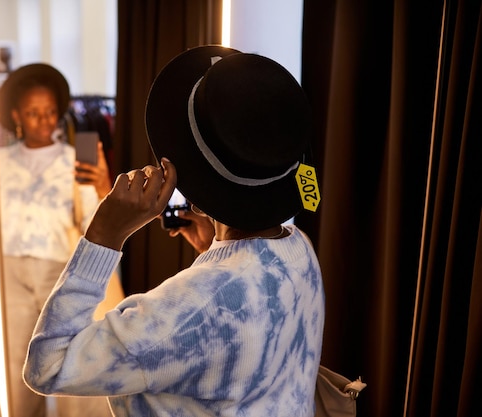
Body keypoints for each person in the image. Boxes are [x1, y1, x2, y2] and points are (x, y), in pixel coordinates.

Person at [23, 46, 325, 416]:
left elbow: (49, 366)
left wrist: (104, 235)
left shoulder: (188, 311)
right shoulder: (299, 250)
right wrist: (212, 254)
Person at [0, 62, 122, 417]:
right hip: (9, 272)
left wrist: (101, 186)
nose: (44, 120)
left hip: (59, 268)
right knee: (15, 364)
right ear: (17, 115)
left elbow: (91, 222)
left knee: (68, 361)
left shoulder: (76, 156)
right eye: (34, 113)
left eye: (51, 112)